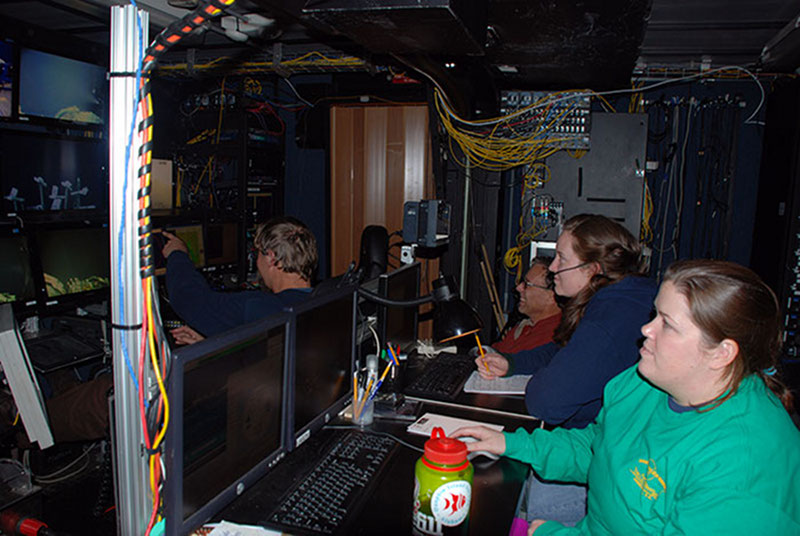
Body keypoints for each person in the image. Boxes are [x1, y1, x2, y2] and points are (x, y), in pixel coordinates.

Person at [455, 259, 800, 534]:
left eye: (667, 323)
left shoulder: (745, 465)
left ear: (721, 353)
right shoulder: (641, 383)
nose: (646, 330)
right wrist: (509, 444)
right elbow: (596, 448)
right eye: (654, 315)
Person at [479, 214, 656, 429]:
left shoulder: (606, 322)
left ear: (592, 269)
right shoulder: (626, 296)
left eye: (561, 258)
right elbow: (563, 350)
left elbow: (545, 403)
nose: (553, 268)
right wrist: (512, 364)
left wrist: (546, 377)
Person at [162, 216, 317, 338]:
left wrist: (177, 254)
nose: (257, 261)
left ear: (271, 258)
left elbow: (188, 300)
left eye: (258, 254)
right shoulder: (323, 299)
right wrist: (210, 343)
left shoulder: (257, 306)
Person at [492, 258, 561, 355]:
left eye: (527, 284)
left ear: (551, 296)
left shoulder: (554, 337)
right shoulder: (524, 326)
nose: (518, 288)